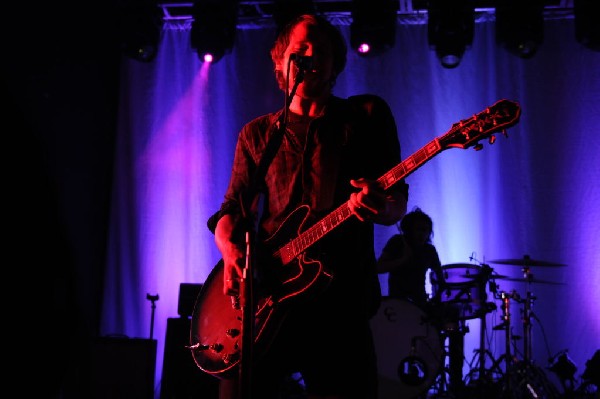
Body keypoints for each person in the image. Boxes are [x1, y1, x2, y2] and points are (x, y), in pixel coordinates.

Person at [206, 14, 409, 399]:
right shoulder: (259, 133)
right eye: (299, 49)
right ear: (280, 62)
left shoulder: (365, 118)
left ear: (335, 63)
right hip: (269, 302)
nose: (309, 54)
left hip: (340, 304)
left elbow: (396, 204)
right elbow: (231, 209)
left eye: (320, 47)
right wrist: (231, 253)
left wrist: (376, 206)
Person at [377, 207, 444, 309]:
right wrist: (402, 260)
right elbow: (379, 267)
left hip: (419, 303)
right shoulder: (398, 242)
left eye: (425, 230)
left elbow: (440, 276)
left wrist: (437, 297)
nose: (422, 234)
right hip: (397, 303)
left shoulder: (429, 250)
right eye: (418, 229)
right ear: (409, 230)